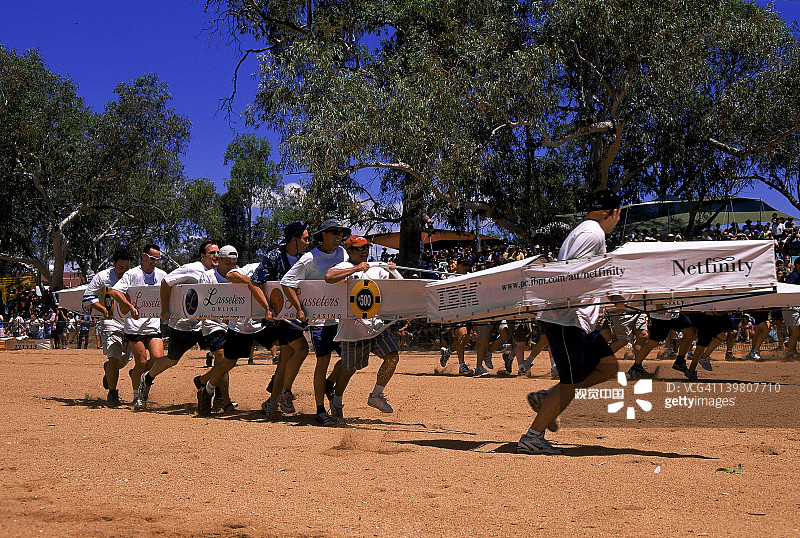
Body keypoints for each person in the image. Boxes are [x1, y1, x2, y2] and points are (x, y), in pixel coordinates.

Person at [518, 189, 622, 455]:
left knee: (607, 367)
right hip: (567, 319)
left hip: (579, 319)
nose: (618, 219)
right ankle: (532, 437)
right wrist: (609, 292)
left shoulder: (588, 231)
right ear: (611, 212)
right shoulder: (592, 234)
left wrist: (609, 292)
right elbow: (572, 274)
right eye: (619, 214)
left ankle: (546, 397)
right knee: (570, 382)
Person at [324, 235, 403, 422]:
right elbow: (329, 277)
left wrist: (393, 271)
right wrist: (356, 269)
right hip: (353, 328)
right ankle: (336, 402)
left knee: (392, 357)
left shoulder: (376, 267)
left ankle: (376, 395)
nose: (364, 251)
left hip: (376, 325)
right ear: (349, 251)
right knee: (349, 369)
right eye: (360, 248)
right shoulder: (344, 266)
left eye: (366, 247)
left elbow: (399, 285)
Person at [138, 239, 224, 410]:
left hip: (207, 324)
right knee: (172, 359)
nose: (216, 256)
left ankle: (218, 395)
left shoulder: (220, 272)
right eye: (212, 253)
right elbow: (166, 282)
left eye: (218, 253)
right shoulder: (192, 268)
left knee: (222, 356)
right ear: (203, 256)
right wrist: (165, 309)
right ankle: (147, 378)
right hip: (184, 325)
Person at [280, 218, 350, 426]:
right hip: (319, 323)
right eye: (334, 232)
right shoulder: (309, 258)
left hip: (341, 319)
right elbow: (286, 283)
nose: (339, 236)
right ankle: (320, 410)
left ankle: (329, 384)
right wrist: (299, 309)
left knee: (350, 360)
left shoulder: (343, 253)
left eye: (341, 233)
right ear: (324, 235)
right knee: (323, 361)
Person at [195, 245, 275, 416]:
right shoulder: (208, 276)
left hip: (240, 323)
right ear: (219, 260)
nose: (231, 266)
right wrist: (253, 281)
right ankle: (221, 399)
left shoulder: (248, 272)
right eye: (227, 263)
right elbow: (203, 302)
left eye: (234, 263)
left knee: (228, 361)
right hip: (214, 323)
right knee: (223, 357)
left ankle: (204, 382)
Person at [250, 222, 311, 417]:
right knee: (301, 349)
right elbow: (254, 283)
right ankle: (284, 393)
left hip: (296, 317)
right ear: (294, 239)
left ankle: (272, 401)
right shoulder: (274, 257)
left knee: (285, 358)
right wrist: (267, 308)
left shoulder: (304, 258)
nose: (308, 242)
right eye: (305, 238)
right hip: (279, 318)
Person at [108, 243, 168, 410]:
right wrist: (129, 306)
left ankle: (136, 374)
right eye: (152, 258)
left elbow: (172, 289)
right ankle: (137, 396)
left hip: (153, 326)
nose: (155, 262)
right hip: (134, 328)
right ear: (143, 256)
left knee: (158, 359)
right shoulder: (132, 274)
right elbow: (114, 292)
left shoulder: (162, 275)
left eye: (157, 259)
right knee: (141, 361)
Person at [82, 248, 133, 407]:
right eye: (120, 267)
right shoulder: (102, 277)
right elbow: (88, 297)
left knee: (123, 361)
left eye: (127, 267)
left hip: (130, 322)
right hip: (110, 321)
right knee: (113, 355)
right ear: (113, 263)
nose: (123, 271)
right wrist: (102, 309)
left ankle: (109, 371)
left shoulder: (134, 276)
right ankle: (112, 393)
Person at [438, 257, 474, 375]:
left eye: (467, 265)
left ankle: (447, 352)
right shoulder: (451, 278)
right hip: (456, 312)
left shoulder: (471, 276)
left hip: (469, 311)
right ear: (457, 266)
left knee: (464, 340)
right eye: (463, 265)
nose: (465, 267)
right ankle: (462, 366)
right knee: (461, 336)